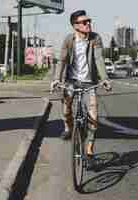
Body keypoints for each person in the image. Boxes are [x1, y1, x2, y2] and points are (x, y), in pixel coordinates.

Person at [50, 10, 112, 156]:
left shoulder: (95, 38)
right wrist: (56, 79)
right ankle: (68, 128)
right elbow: (62, 61)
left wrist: (104, 79)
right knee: (66, 110)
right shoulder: (68, 40)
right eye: (84, 22)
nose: (88, 23)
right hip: (72, 81)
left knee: (93, 117)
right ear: (75, 26)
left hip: (89, 83)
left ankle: (89, 149)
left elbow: (98, 59)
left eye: (89, 20)